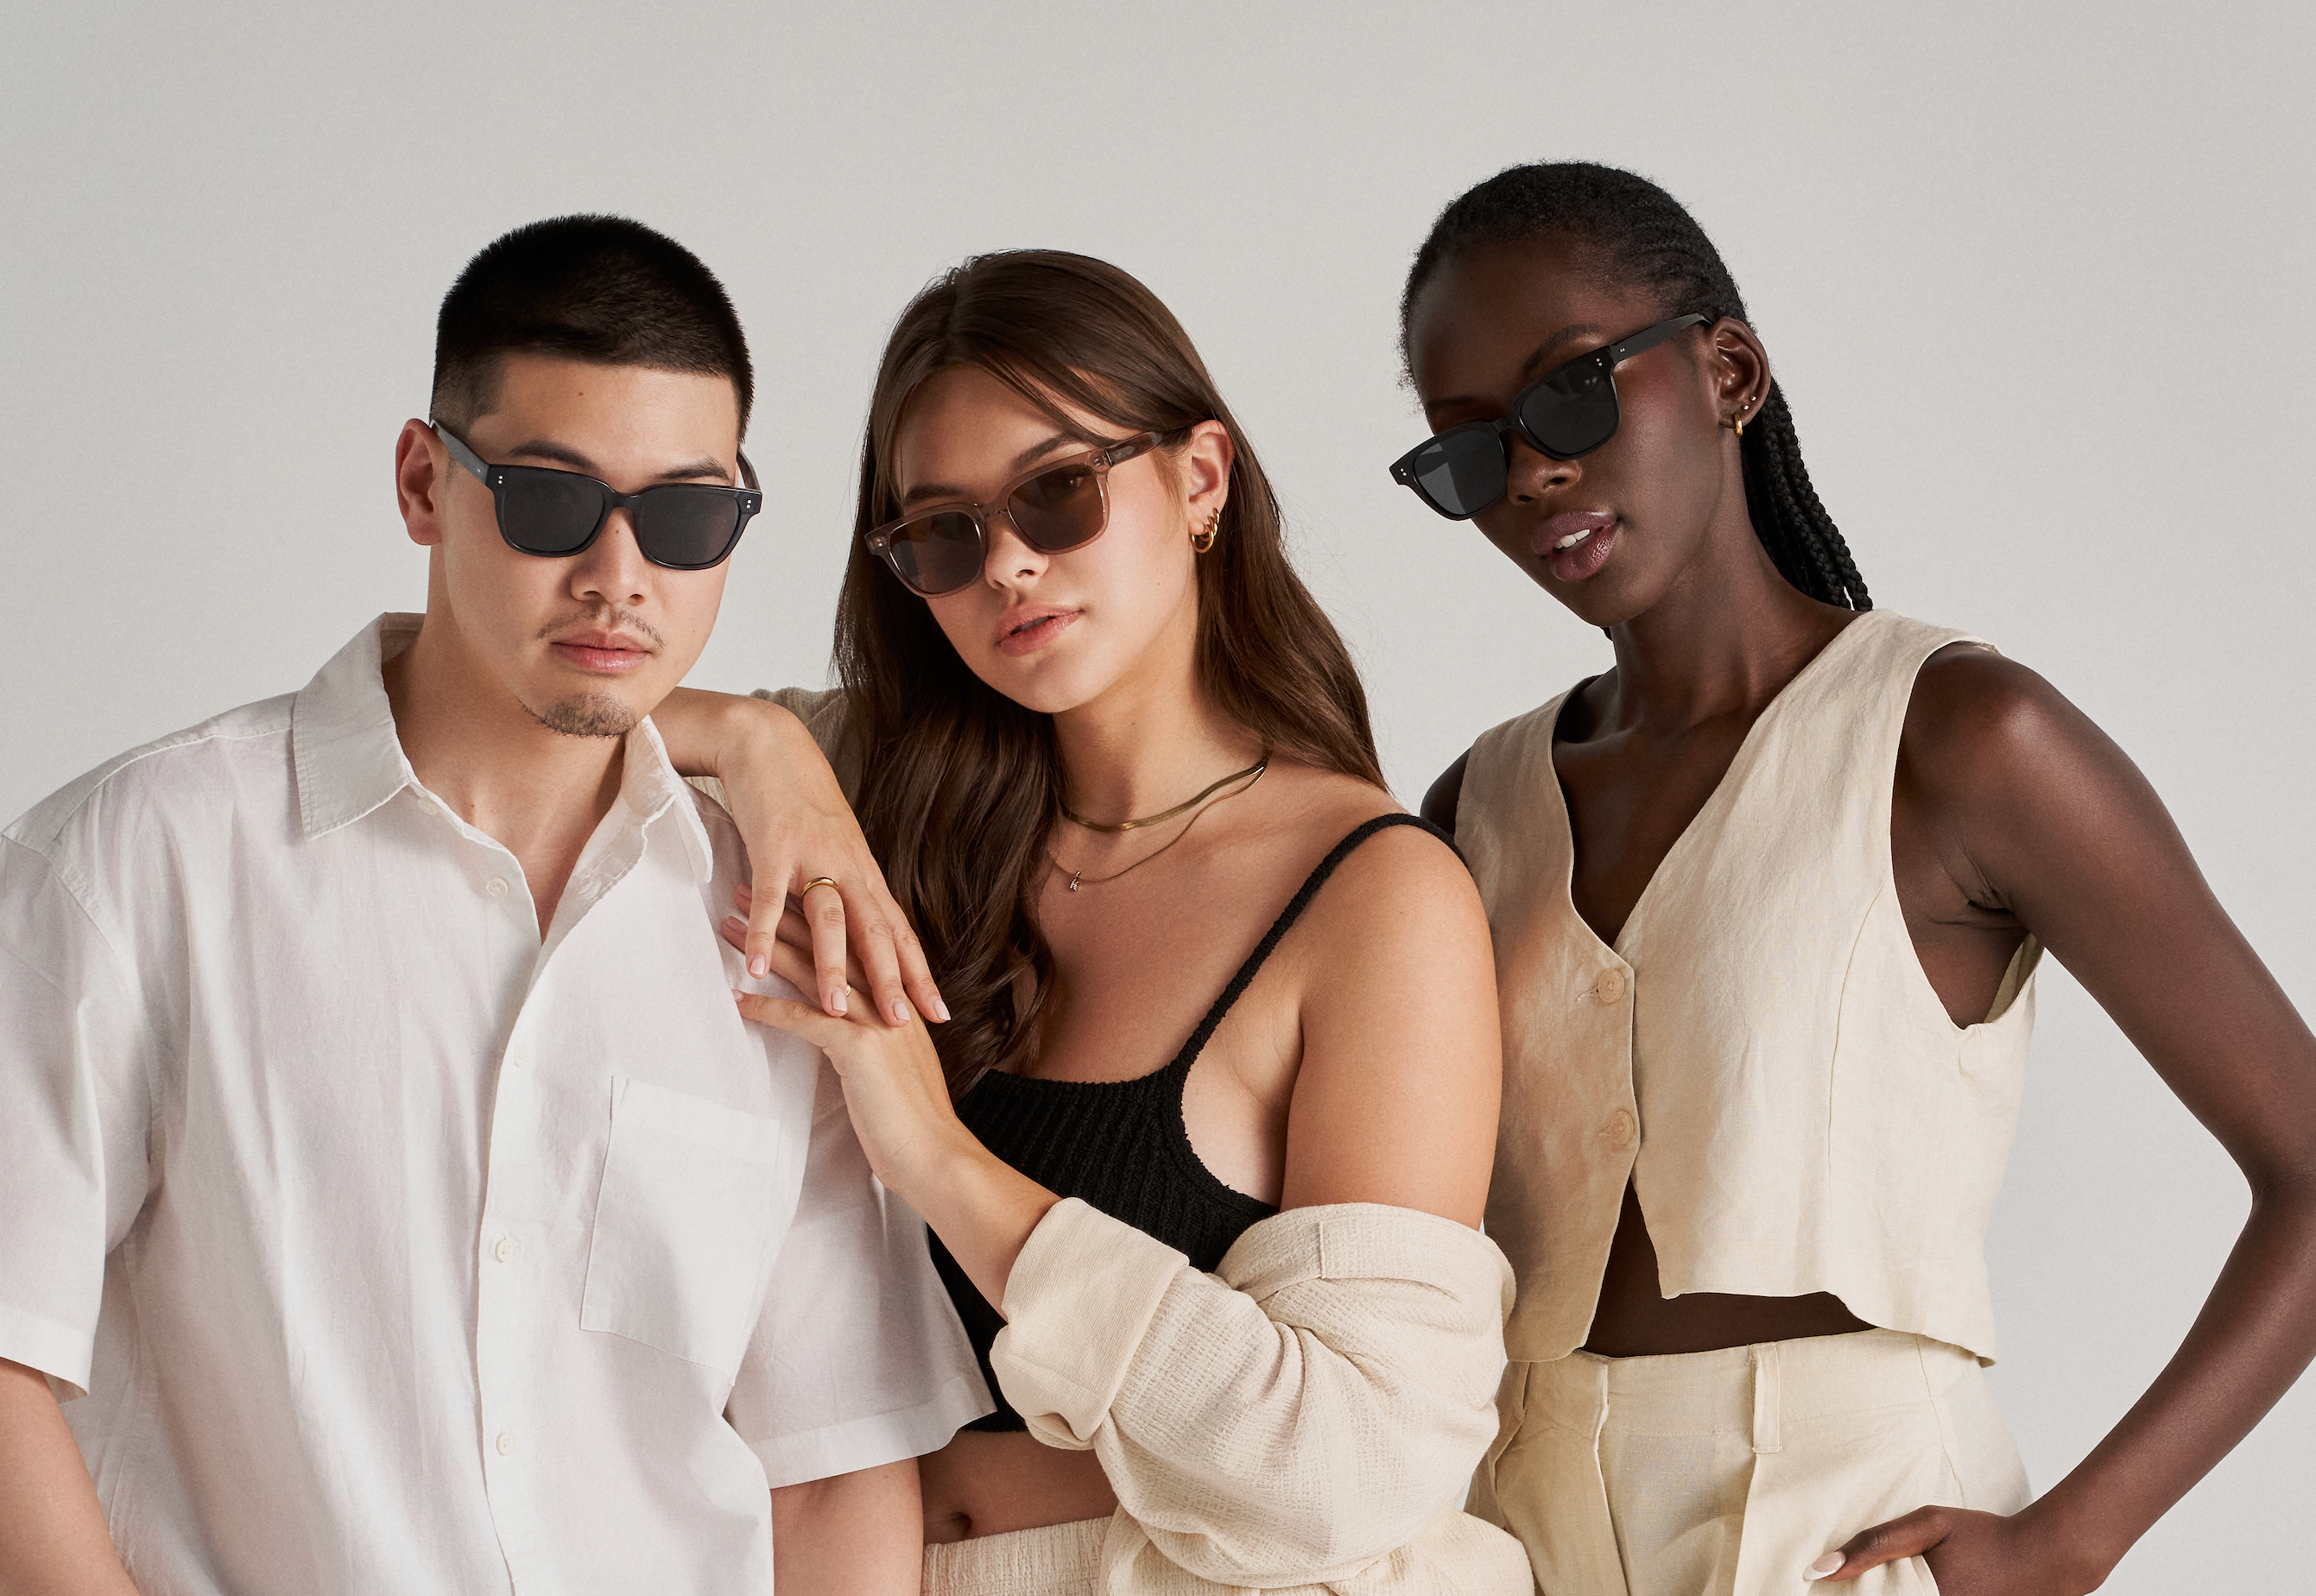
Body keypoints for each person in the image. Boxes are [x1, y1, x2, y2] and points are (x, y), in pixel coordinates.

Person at [0, 215, 986, 1596]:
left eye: (689, 515)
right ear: (422, 481)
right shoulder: (142, 862)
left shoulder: (769, 920)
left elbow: (830, 1467)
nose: (619, 577)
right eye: (549, 500)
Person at [1389, 162, 2316, 1596]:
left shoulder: (1958, 738)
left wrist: (2069, 1542)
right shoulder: (1479, 805)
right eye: (1466, 454)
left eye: (1568, 392)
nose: (1530, 475)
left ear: (1727, 372)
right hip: (1514, 1533)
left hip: (1855, 1532)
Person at [657, 250, 1531, 1595]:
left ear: (1199, 482)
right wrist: (761, 746)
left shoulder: (1369, 896)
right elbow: (509, 700)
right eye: (940, 532)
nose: (1003, 562)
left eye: (1057, 491)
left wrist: (934, 1153)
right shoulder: (871, 801)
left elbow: (1350, 1470)